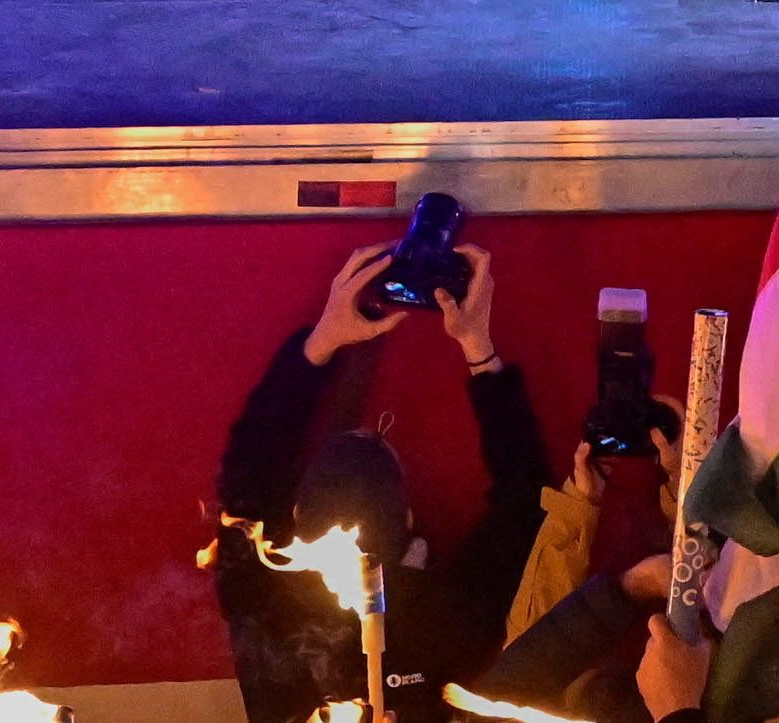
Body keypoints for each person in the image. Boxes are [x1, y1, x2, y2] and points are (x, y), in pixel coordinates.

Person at [211, 236, 547, 723]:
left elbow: (250, 466)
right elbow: (526, 500)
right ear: (409, 519)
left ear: (299, 516)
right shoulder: (451, 609)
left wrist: (320, 341)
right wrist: (478, 347)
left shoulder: (263, 605)